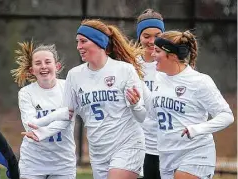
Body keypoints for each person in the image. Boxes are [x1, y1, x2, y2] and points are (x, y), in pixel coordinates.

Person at [23, 19, 149, 179]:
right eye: (77, 42)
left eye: (83, 41)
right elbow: (65, 116)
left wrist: (136, 105)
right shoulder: (74, 75)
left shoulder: (124, 70)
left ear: (99, 42)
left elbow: (142, 116)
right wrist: (43, 132)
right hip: (98, 151)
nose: (78, 47)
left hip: (128, 145)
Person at [146, 30, 234, 179]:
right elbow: (153, 115)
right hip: (167, 155)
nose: (153, 55)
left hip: (196, 153)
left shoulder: (199, 82)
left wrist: (197, 129)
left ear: (173, 56)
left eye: (158, 51)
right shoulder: (158, 78)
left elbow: (227, 116)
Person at [11, 42, 76, 179]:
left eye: (47, 62)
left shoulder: (68, 87)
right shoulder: (26, 93)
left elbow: (66, 121)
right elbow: (31, 125)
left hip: (63, 162)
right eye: (38, 63)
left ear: (56, 66)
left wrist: (43, 131)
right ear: (32, 70)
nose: (43, 66)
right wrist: (58, 114)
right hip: (33, 162)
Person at [136, 8, 165, 179]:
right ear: (139, 36)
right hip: (138, 144)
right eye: (146, 36)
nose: (152, 41)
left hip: (166, 144)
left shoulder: (171, 63)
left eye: (157, 35)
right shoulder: (130, 64)